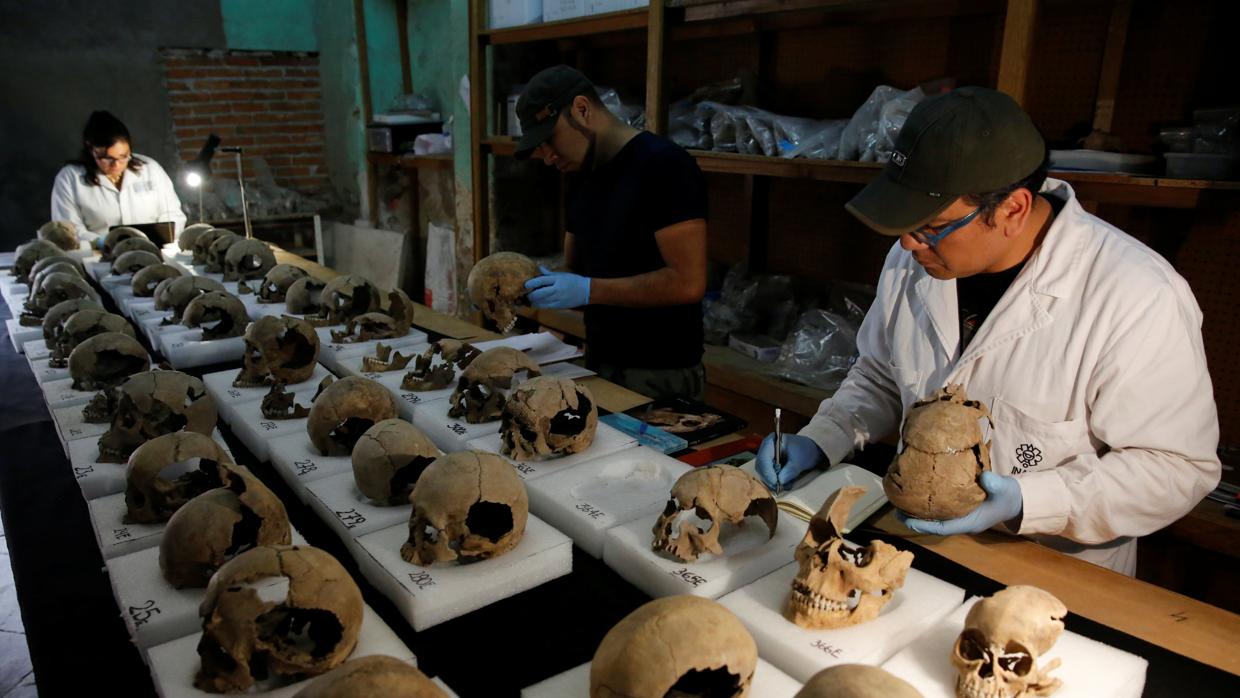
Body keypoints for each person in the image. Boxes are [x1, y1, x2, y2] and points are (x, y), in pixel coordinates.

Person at [754, 87, 1220, 575]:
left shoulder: (1135, 294)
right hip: (918, 546)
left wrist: (1031, 500)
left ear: (1014, 209)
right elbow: (879, 376)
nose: (909, 242)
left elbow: (1176, 467)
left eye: (932, 225)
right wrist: (826, 435)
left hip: (1054, 571)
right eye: (905, 224)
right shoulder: (915, 259)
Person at [513, 65, 708, 401]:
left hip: (660, 374)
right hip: (600, 363)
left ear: (582, 109)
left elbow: (688, 282)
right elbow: (578, 271)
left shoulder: (664, 166)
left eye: (549, 139)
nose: (546, 156)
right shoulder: (579, 175)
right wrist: (541, 285)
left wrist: (588, 290)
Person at [51, 110, 186, 246]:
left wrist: (161, 237)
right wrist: (103, 243)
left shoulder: (150, 169)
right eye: (107, 158)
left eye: (123, 156)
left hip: (153, 250)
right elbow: (67, 229)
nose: (116, 164)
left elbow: (173, 213)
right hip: (97, 256)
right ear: (91, 149)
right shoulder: (70, 178)